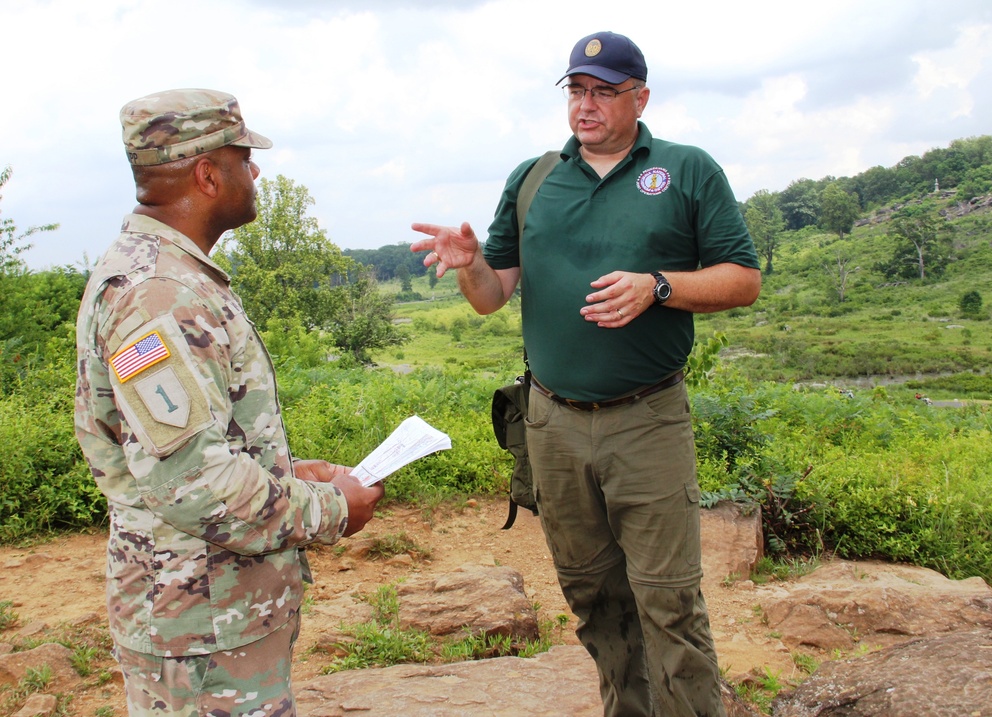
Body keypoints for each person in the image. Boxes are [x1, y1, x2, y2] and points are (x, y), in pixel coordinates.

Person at [412, 32, 760, 717]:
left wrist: (658, 287)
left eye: (604, 90)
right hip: (553, 423)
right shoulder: (535, 178)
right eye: (576, 89)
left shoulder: (687, 171)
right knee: (595, 597)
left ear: (641, 97)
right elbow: (492, 294)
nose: (587, 104)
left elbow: (743, 280)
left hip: (647, 420)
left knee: (669, 600)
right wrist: (469, 265)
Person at [75, 88, 385, 716]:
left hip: (209, 612)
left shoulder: (167, 276)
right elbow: (192, 481)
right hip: (199, 624)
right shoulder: (160, 292)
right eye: (245, 157)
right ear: (208, 174)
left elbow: (182, 447)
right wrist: (329, 508)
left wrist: (285, 473)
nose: (257, 172)